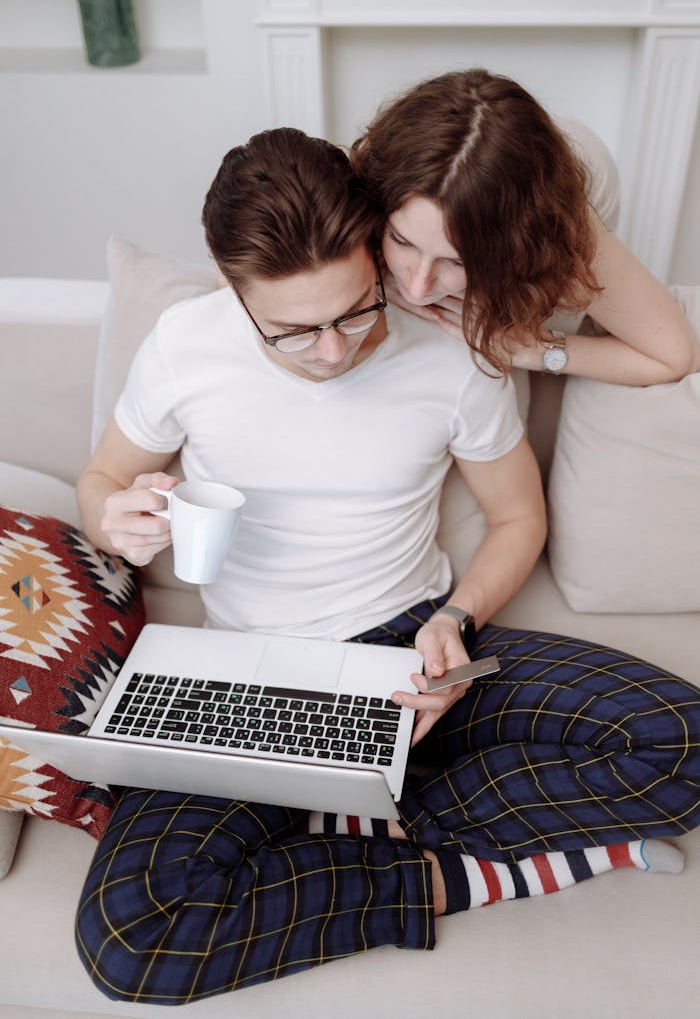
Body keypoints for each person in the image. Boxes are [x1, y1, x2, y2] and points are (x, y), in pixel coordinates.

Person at [74, 128, 700, 1005]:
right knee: (130, 939)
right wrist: (113, 520)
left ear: (379, 254)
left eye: (356, 310)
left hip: (412, 645)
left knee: (682, 743)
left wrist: (457, 620)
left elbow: (519, 517)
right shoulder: (184, 345)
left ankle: (353, 793)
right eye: (294, 331)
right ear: (231, 287)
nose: (334, 351)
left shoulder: (449, 345)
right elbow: (100, 481)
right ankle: (459, 871)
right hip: (248, 669)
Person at [350, 67, 700, 386]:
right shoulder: (367, 171)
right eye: (401, 240)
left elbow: (672, 357)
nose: (416, 287)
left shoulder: (563, 239)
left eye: (458, 261)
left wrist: (530, 349)